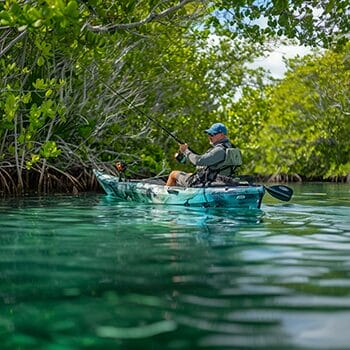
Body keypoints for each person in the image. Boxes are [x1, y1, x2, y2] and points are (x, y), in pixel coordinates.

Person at [166, 122, 242, 187]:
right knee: (190, 174)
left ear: (222, 135)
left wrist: (186, 151)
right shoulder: (231, 147)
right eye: (209, 134)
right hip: (221, 179)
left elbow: (198, 161)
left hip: (206, 181)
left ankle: (163, 199)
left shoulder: (220, 150)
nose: (209, 137)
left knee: (173, 174)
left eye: (212, 134)